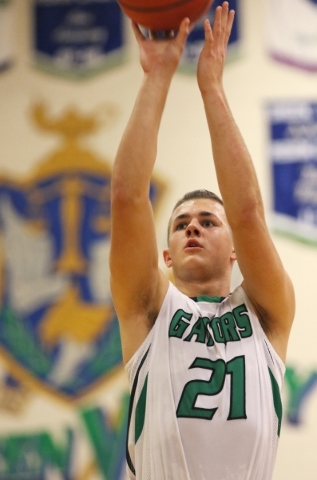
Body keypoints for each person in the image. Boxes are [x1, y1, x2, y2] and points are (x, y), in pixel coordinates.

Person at [109, 2, 295, 479]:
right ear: (165, 255)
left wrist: (212, 87)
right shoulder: (148, 309)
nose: (193, 226)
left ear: (236, 251)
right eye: (181, 222)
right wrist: (158, 75)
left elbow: (250, 213)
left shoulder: (268, 313)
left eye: (209, 221)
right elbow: (128, 197)